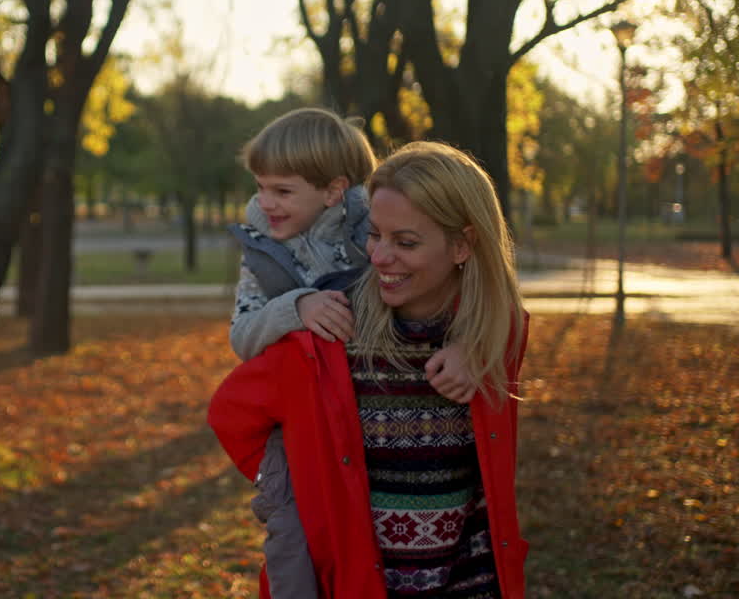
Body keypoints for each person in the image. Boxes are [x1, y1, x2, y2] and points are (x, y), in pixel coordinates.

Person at [210, 141, 529, 598]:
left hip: (471, 581)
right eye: (375, 235)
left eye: (406, 242)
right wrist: (297, 487)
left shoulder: (493, 336)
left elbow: (505, 316)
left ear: (462, 244)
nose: (378, 257)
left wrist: (476, 348)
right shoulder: (329, 334)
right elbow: (231, 411)